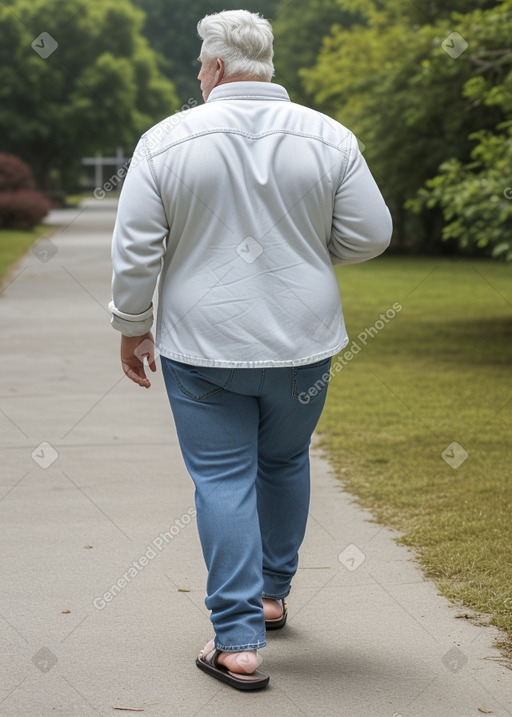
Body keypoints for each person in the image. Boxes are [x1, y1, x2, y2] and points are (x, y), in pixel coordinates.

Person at [109, 9, 392, 691]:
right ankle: (270, 595)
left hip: (203, 348)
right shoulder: (330, 136)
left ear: (211, 69)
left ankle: (235, 641)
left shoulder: (167, 139)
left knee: (222, 478)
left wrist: (130, 324)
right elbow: (371, 233)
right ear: (266, 66)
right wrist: (308, 251)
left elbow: (137, 247)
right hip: (303, 344)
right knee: (285, 458)